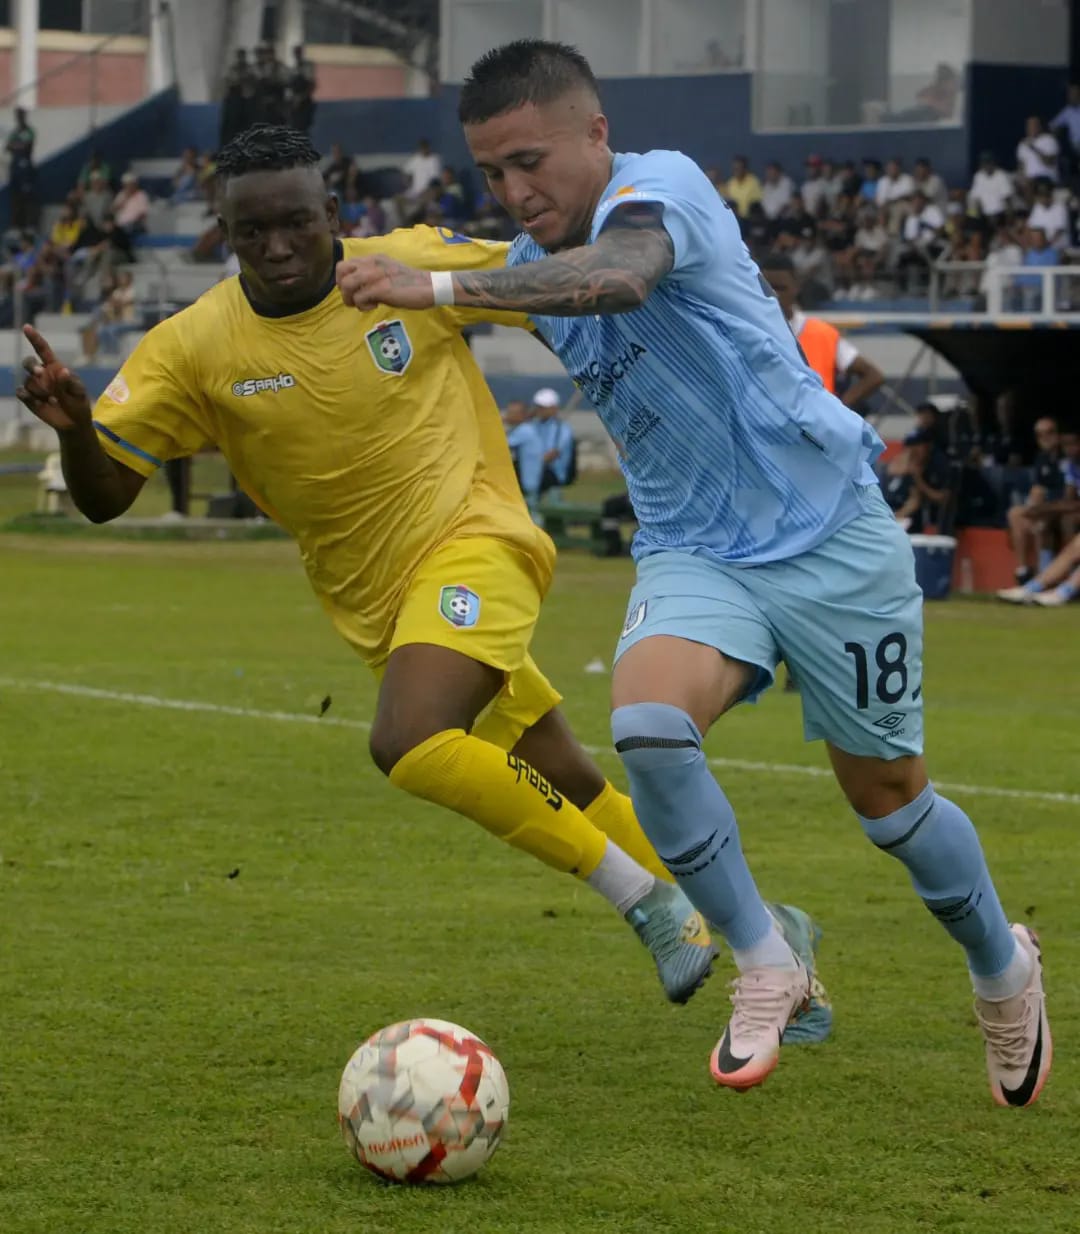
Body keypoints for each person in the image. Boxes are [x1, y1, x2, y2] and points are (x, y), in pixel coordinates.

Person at [336, 39, 1050, 1106]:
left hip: (831, 535)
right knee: (648, 725)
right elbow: (359, 271)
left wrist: (438, 285)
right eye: (492, 172)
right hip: (695, 549)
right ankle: (767, 961)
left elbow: (619, 278)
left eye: (530, 159)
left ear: (596, 134)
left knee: (890, 801)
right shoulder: (523, 261)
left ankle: (1004, 970)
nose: (515, 190)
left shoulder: (658, 187)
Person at [16, 123, 830, 1030]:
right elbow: (105, 497)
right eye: (252, 233)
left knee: (407, 739)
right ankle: (767, 930)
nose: (278, 247)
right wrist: (75, 432)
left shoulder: (404, 268)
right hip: (377, 603)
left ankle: (645, 901)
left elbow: (554, 279)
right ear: (223, 232)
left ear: (333, 214)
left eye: (296, 223)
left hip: (479, 540)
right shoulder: (191, 347)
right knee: (561, 771)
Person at [759, 252, 883, 410]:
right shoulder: (745, 330)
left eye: (781, 288)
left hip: (812, 430)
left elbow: (873, 376)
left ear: (796, 287)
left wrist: (838, 410)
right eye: (768, 288)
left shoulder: (822, 333)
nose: (775, 295)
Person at [531, 387, 576, 495]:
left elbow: (552, 455)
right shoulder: (533, 425)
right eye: (538, 406)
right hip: (536, 469)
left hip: (554, 474)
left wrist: (530, 464)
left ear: (554, 408)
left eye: (544, 407)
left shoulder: (563, 430)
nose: (540, 410)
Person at [6, 107, 37, 229]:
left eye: (21, 115)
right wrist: (17, 145)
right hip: (15, 168)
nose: (19, 118)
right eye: (17, 116)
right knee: (15, 197)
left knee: (27, 197)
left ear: (24, 116)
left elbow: (27, 146)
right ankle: (16, 225)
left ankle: (29, 224)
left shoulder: (29, 131)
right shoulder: (15, 132)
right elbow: (7, 147)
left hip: (26, 168)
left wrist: (16, 145)